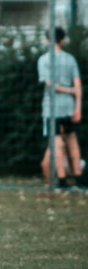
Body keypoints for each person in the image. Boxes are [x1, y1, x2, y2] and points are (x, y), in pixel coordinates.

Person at [37, 27, 83, 189]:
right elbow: (78, 84)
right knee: (72, 140)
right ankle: (78, 177)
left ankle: (62, 179)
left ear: (46, 40)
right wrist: (78, 106)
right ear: (62, 40)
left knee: (56, 142)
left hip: (52, 106)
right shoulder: (70, 59)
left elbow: (49, 85)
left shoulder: (43, 60)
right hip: (69, 105)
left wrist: (66, 89)